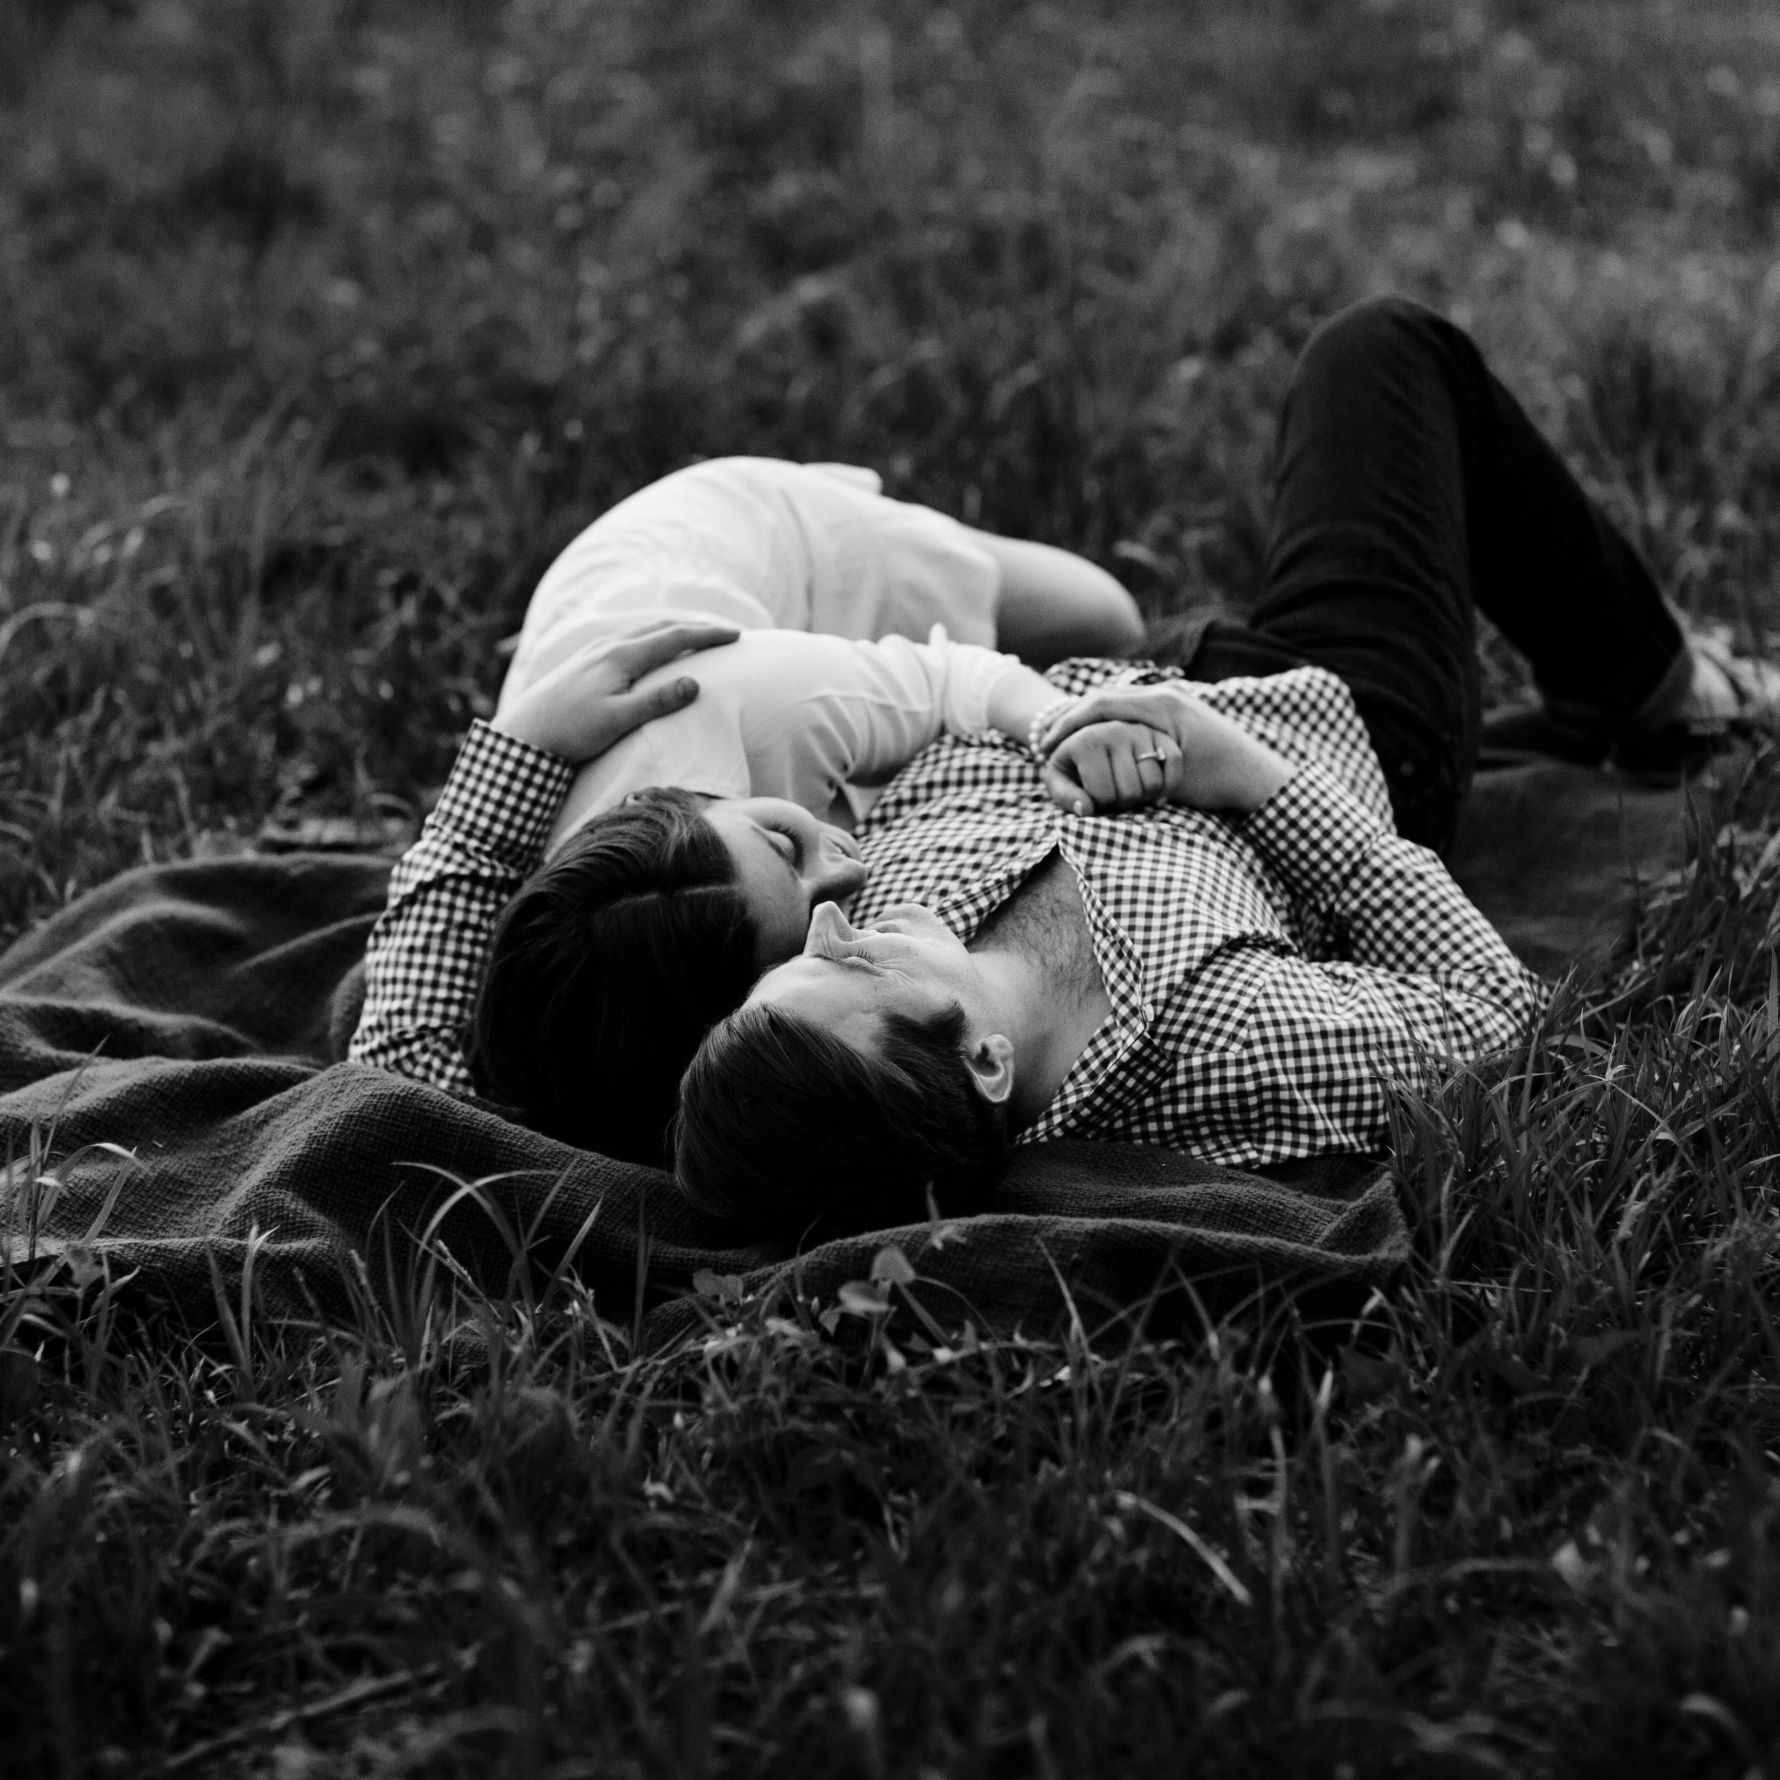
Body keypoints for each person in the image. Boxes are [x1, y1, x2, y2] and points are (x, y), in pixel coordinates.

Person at [673, 295, 1777, 1236]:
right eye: (852, 968)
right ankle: (1660, 686)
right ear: (985, 1064)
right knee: (1384, 349)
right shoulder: (1230, 1040)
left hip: (1126, 670)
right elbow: (1507, 1020)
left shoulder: (861, 975)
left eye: (802, 958)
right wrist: (1248, 775)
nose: (831, 920)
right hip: (1327, 714)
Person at [348, 457, 1149, 1164]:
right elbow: (399, 1062)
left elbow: (956, 680)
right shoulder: (597, 999)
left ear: (686, 802)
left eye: (786, 841)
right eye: (801, 929)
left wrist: (1060, 726)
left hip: (756, 542)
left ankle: (872, 519)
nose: (848, 871)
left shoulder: (743, 700)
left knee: (1107, 618)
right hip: (648, 632)